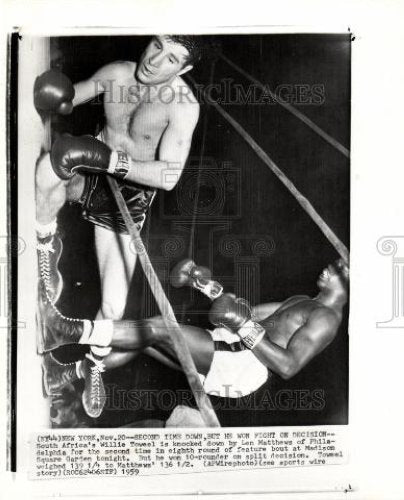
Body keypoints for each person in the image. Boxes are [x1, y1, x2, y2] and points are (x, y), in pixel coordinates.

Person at [41, 248, 349, 415]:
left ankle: (66, 330)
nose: (329, 267)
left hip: (243, 367)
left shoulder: (326, 319)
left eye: (340, 270)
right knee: (144, 340)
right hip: (229, 348)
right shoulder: (304, 301)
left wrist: (241, 325)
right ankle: (66, 374)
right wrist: (202, 285)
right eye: (334, 262)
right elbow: (247, 313)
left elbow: (287, 366)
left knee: (159, 328)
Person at [34, 35, 201, 327]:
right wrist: (58, 97)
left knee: (113, 309)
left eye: (172, 59)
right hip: (90, 167)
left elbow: (169, 176)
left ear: (183, 70)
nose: (154, 60)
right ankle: (45, 249)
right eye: (157, 45)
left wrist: (111, 161)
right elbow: (70, 97)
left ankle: (89, 364)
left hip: (131, 192)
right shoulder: (118, 72)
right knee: (49, 170)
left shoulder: (183, 105)